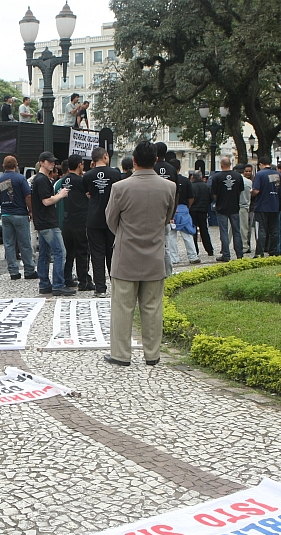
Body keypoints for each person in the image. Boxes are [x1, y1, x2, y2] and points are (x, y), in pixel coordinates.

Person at [104, 140, 176, 368]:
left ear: (133, 161)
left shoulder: (120, 187)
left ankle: (121, 354)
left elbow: (111, 219)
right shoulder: (169, 187)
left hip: (126, 255)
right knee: (153, 307)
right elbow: (166, 218)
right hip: (155, 254)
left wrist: (125, 234)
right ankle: (152, 354)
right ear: (155, 160)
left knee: (122, 307)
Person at [32, 151, 75, 296]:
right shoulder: (43, 180)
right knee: (60, 252)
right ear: (42, 163)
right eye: (49, 161)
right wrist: (60, 195)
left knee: (44, 253)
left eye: (53, 162)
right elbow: (46, 201)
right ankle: (58, 284)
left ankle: (44, 284)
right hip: (48, 222)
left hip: (42, 222)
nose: (53, 164)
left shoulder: (38, 179)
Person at [84, 147, 122, 297]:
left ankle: (100, 288)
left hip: (93, 218)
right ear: (105, 156)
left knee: (97, 254)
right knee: (113, 253)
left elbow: (88, 193)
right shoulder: (115, 174)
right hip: (112, 218)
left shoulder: (87, 176)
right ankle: (117, 286)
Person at [0, 155, 37, 280]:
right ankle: (29, 271)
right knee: (24, 243)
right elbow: (28, 196)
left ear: (3, 166)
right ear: (16, 165)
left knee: (8, 244)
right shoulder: (20, 178)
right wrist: (31, 211)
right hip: (20, 214)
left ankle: (13, 272)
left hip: (6, 214)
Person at [60, 154, 93, 291]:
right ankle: (84, 281)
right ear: (80, 164)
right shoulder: (82, 180)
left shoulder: (64, 180)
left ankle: (67, 278)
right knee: (82, 251)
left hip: (67, 220)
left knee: (69, 252)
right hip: (81, 219)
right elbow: (89, 195)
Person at [211, 156, 245, 262]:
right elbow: (240, 191)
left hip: (222, 207)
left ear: (221, 165)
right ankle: (239, 253)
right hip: (234, 206)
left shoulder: (217, 177)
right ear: (230, 164)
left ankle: (226, 254)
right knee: (236, 231)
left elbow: (214, 194)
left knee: (224, 232)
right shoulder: (238, 176)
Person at [167, 158, 199, 264]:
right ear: (179, 168)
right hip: (183, 209)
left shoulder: (167, 180)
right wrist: (187, 207)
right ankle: (193, 256)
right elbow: (191, 197)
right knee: (187, 234)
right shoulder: (185, 180)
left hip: (171, 209)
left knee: (171, 236)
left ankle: (174, 258)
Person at [251, 155, 281, 257]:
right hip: (274, 206)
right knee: (274, 230)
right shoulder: (278, 175)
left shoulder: (260, 174)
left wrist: (251, 192)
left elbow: (256, 190)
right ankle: (273, 251)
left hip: (261, 206)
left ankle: (260, 252)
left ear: (261, 164)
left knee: (260, 229)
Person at [153, 142, 178, 276]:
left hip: (153, 212)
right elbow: (176, 194)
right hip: (167, 213)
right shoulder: (171, 169)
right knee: (166, 246)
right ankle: (168, 273)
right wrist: (171, 214)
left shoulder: (152, 168)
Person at [189, 170, 214, 257]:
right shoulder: (206, 186)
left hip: (192, 210)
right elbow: (211, 198)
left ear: (192, 177)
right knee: (204, 230)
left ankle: (195, 250)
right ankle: (209, 249)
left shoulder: (191, 186)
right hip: (203, 210)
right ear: (201, 177)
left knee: (193, 231)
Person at [241, 164, 254, 253]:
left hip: (252, 207)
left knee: (249, 226)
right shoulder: (244, 181)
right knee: (245, 226)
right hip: (245, 206)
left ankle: (247, 243)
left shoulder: (254, 181)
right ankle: (246, 244)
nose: (248, 173)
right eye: (246, 171)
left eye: (249, 171)